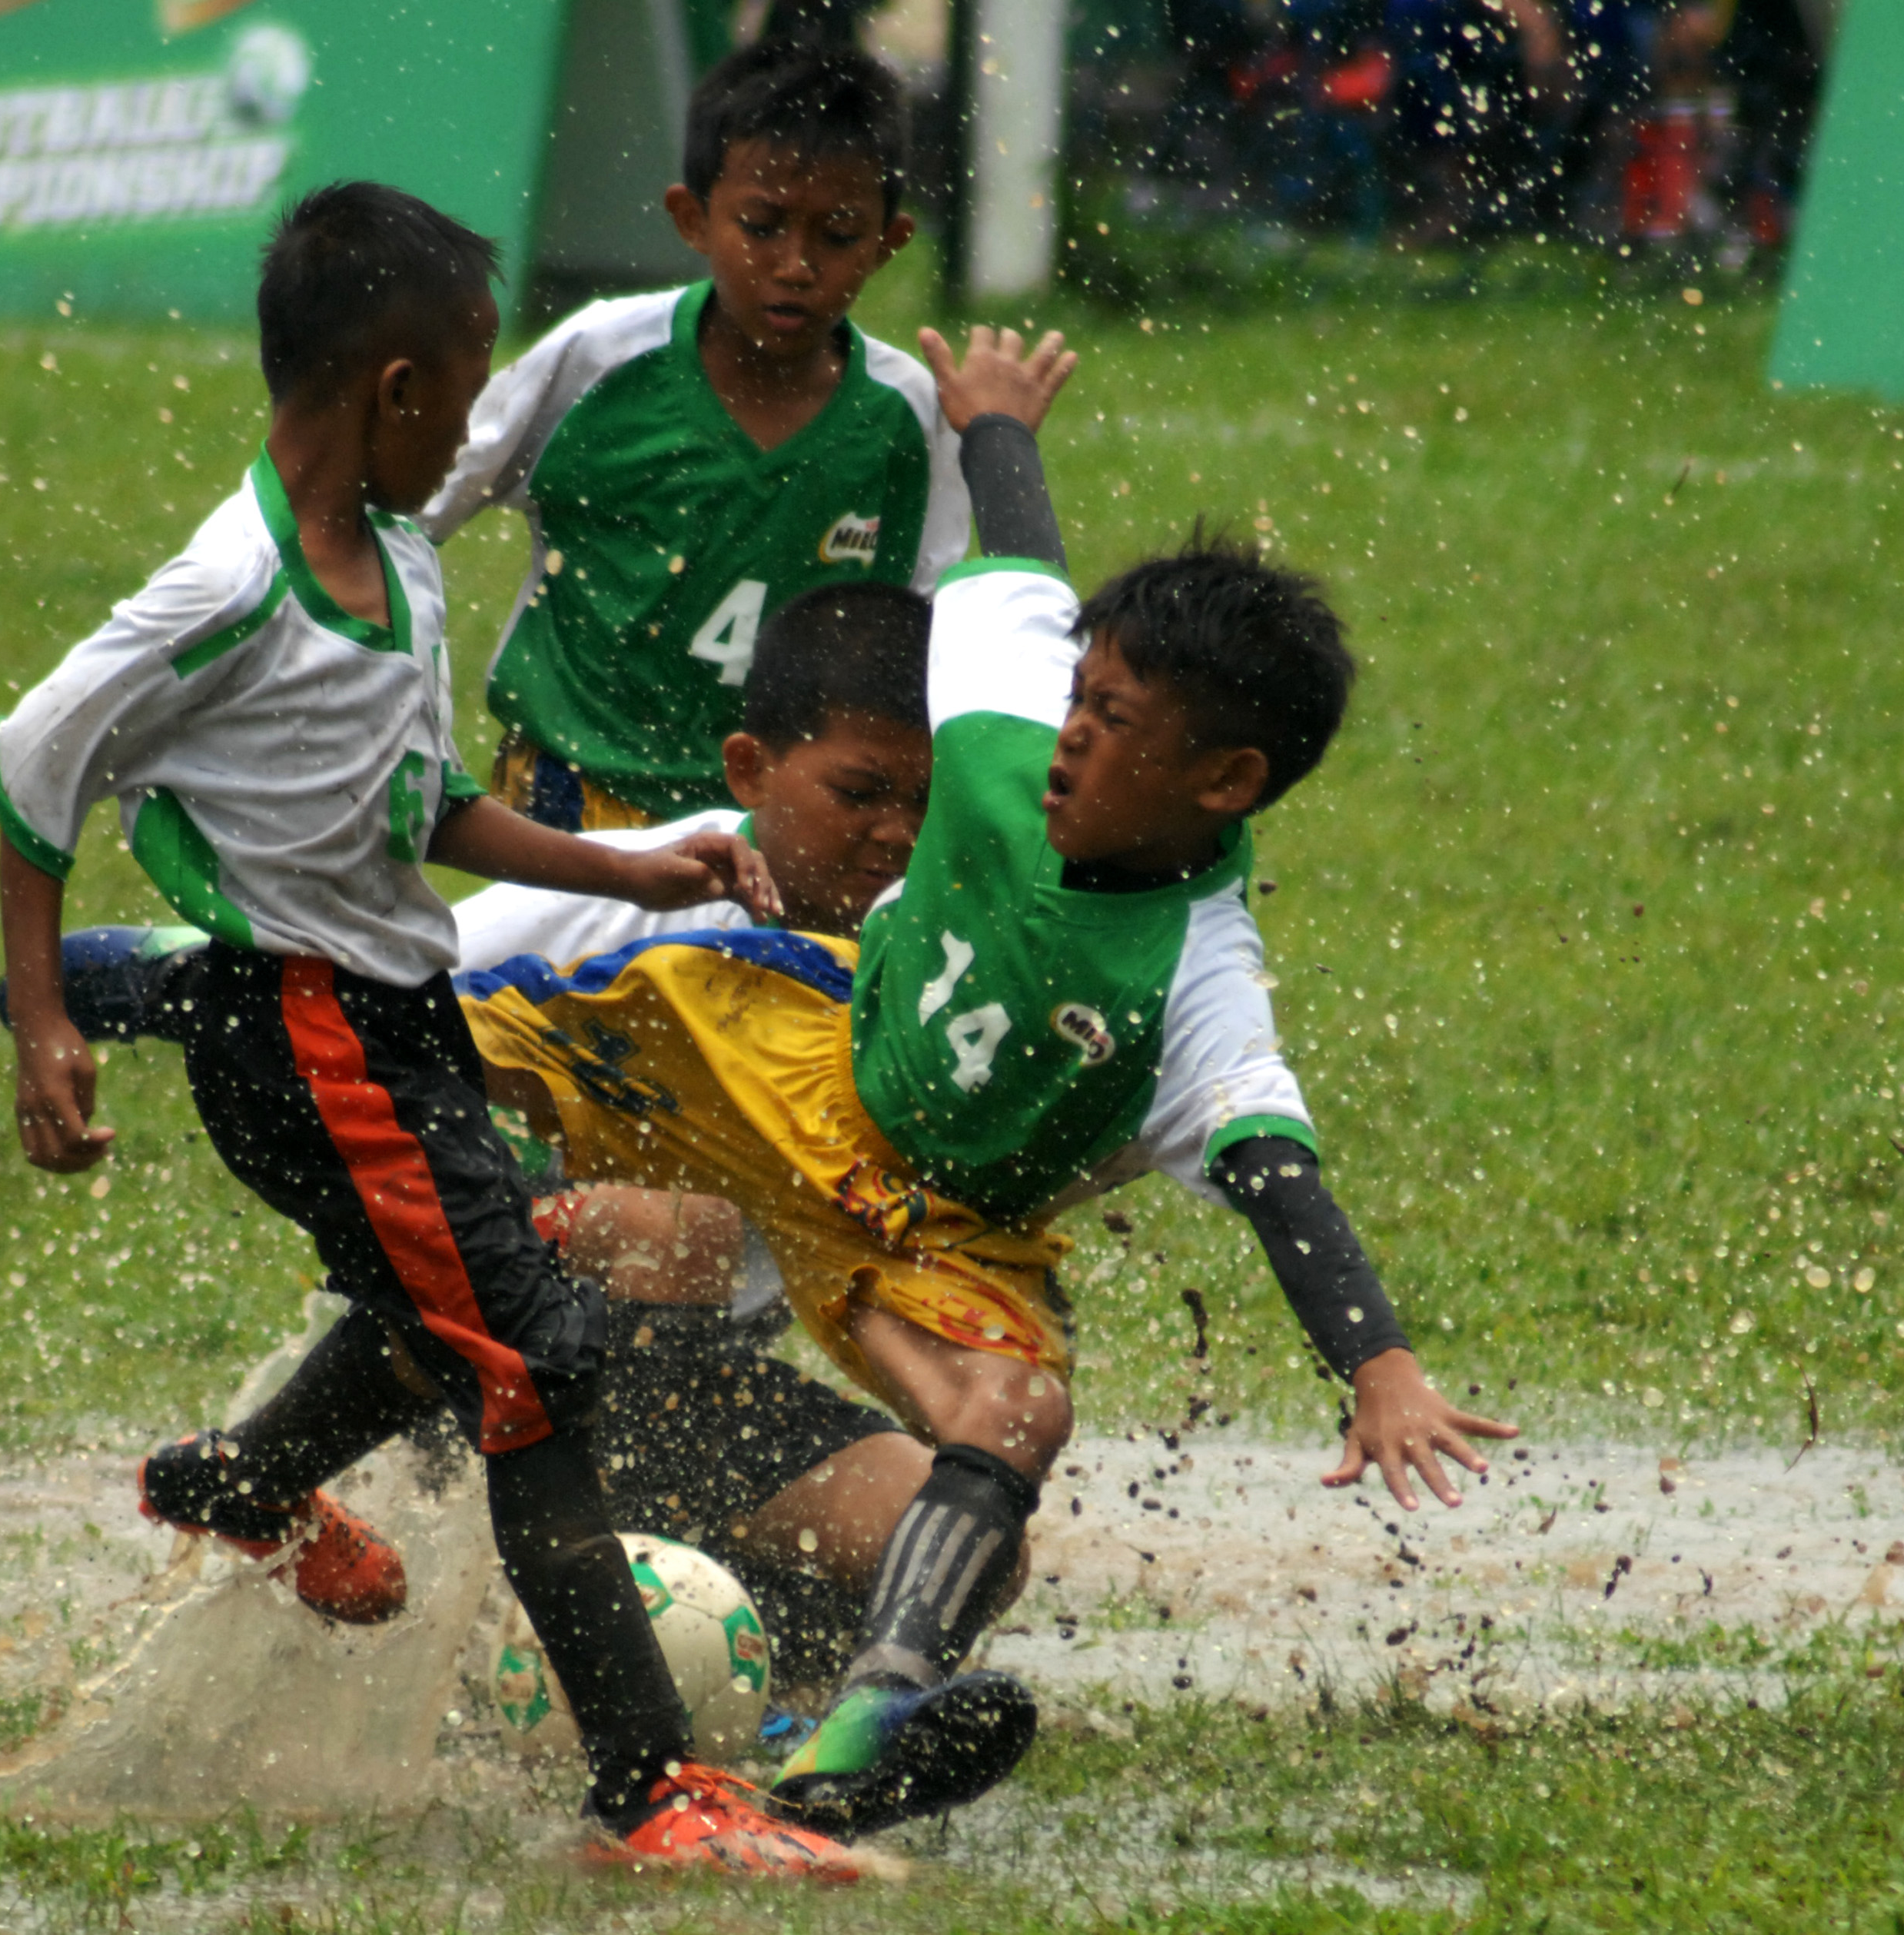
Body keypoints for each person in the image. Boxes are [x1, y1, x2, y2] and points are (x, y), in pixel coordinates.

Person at [455, 324, 1520, 1833]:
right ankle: (397, 1456)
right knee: (613, 1218)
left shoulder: (1191, 983)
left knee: (1007, 1424)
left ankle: (846, 1739)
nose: (1063, 738)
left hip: (926, 1232)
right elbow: (1020, 557)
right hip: (797, 1085)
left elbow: (1278, 1170)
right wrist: (990, 421)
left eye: (1111, 728)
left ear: (1221, 784)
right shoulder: (1012, 702)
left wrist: (1377, 1361)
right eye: (1074, 699)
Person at [0, 180, 870, 1880]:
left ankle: (246, 1479)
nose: (472, 429)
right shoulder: (229, 585)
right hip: (311, 1039)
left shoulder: (393, 554)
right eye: (465, 396)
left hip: (390, 1018)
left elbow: (422, 805)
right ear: (396, 393)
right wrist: (42, 1020)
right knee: (529, 1361)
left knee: (442, 1313)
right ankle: (648, 1788)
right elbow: (29, 761)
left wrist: (625, 865)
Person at [18, 581, 1036, 1829]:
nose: (895, 834)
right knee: (596, 1272)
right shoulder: (644, 889)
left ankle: (775, 1716)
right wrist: (562, 1203)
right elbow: (383, 990)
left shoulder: (937, 953)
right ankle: (382, 1540)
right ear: (753, 768)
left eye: (929, 806)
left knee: (964, 1549)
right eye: (863, 792)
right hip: (495, 1351)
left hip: (700, 1377)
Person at [419, 37, 972, 833]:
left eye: (839, 235)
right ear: (691, 219)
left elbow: (926, 633)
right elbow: (420, 500)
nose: (795, 264)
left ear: (889, 242)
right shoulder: (598, 358)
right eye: (761, 225)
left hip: (784, 833)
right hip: (571, 800)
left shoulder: (910, 415)